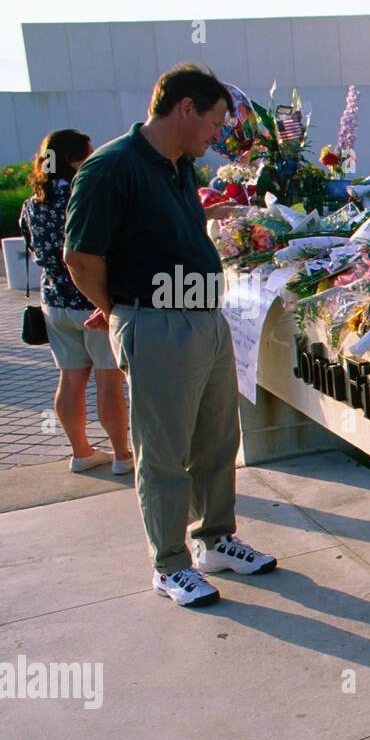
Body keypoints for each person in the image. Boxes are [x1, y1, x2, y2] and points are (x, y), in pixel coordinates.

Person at [64, 63, 277, 609]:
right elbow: (80, 257)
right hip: (157, 323)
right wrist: (119, 311)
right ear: (186, 108)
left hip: (205, 320)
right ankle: (170, 564)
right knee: (163, 452)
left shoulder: (179, 167)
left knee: (215, 442)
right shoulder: (111, 169)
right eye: (215, 122)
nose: (218, 135)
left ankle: (215, 541)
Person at [18, 129, 132, 475]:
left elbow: (31, 244)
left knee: (70, 381)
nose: (94, 156)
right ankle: (122, 456)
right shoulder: (84, 196)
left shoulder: (32, 203)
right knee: (108, 382)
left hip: (53, 302)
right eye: (88, 152)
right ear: (73, 159)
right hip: (93, 302)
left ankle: (81, 453)